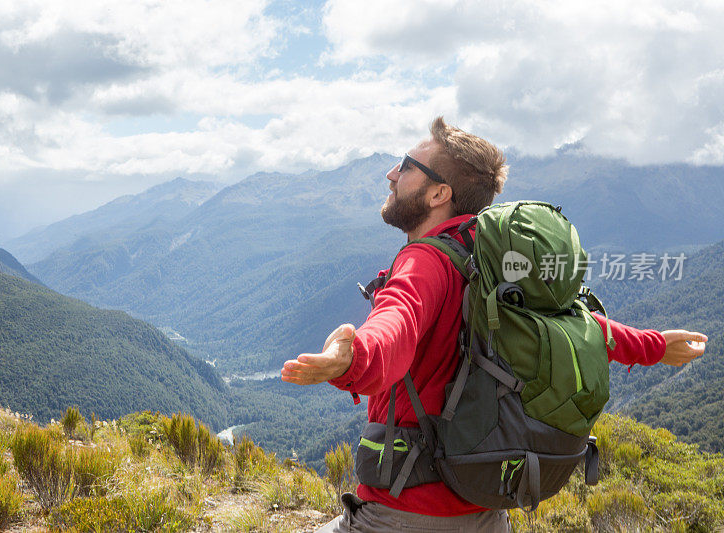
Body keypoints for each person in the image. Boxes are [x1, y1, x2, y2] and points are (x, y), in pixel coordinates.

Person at [281, 117, 708, 532]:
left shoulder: (423, 261)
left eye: (407, 165)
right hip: (488, 506)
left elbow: (396, 322)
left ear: (438, 194)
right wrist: (655, 345)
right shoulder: (495, 262)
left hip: (404, 513)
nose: (391, 173)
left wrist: (352, 358)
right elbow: (572, 324)